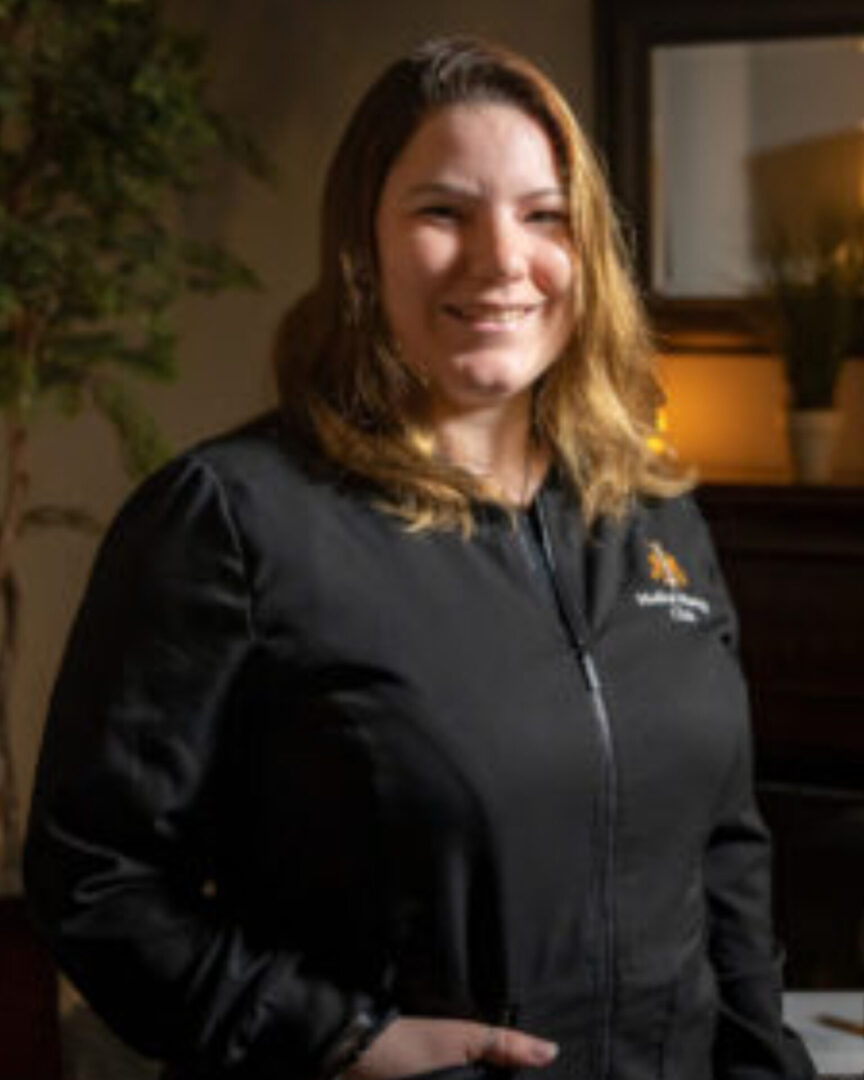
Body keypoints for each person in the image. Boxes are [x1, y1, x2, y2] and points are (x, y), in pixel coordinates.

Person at [25, 35, 814, 1080]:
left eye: (543, 216)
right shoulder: (230, 520)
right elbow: (95, 878)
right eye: (444, 212)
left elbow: (723, 857)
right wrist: (343, 1038)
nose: (501, 259)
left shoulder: (652, 515)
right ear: (365, 243)